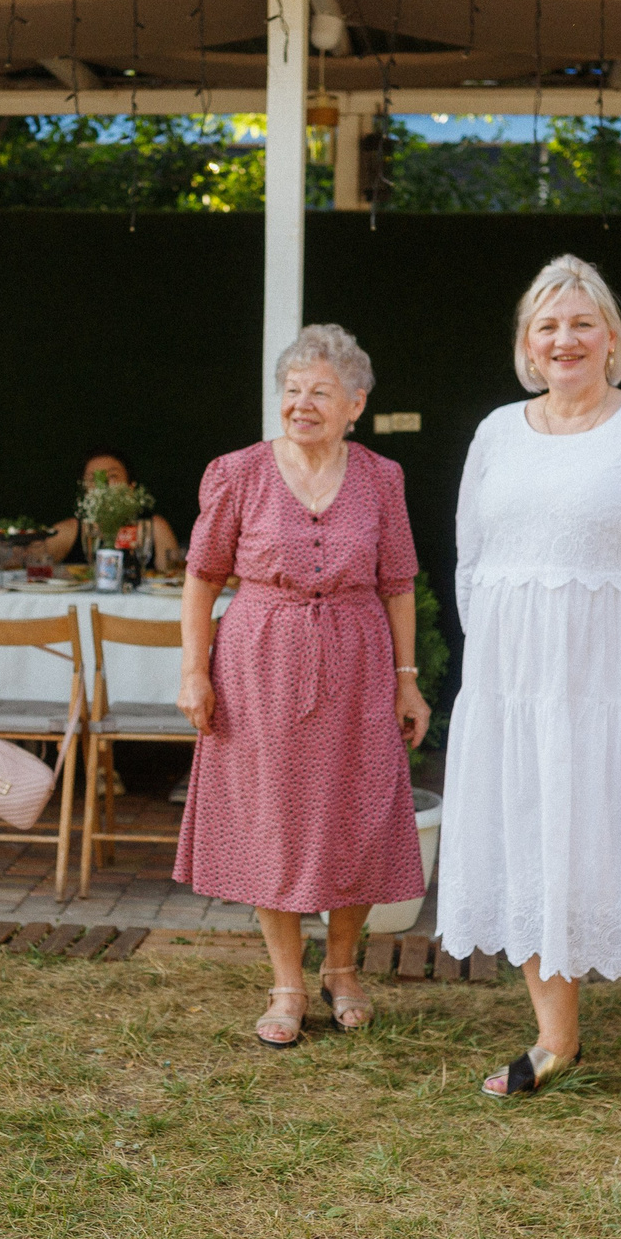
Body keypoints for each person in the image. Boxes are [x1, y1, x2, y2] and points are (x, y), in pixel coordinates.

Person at [438, 257, 621, 1120]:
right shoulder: (496, 432)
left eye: (581, 323)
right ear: (527, 344)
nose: (564, 339)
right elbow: (471, 553)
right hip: (515, 685)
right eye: (547, 325)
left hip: (614, 688)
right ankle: (555, 1037)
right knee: (530, 838)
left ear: (611, 337)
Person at [175, 325, 432, 1048]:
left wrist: (407, 683)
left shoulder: (382, 477)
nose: (302, 404)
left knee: (358, 813)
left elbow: (398, 583)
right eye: (292, 390)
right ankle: (286, 981)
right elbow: (202, 575)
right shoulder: (238, 472)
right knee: (272, 820)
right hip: (258, 666)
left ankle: (342, 969)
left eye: (320, 391)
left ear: (356, 404)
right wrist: (194, 669)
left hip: (358, 666)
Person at [32, 450, 184, 570]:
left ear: (131, 487)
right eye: (93, 479)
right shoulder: (71, 529)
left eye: (112, 476)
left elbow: (172, 578)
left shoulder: (154, 527)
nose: (102, 484)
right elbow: (31, 561)